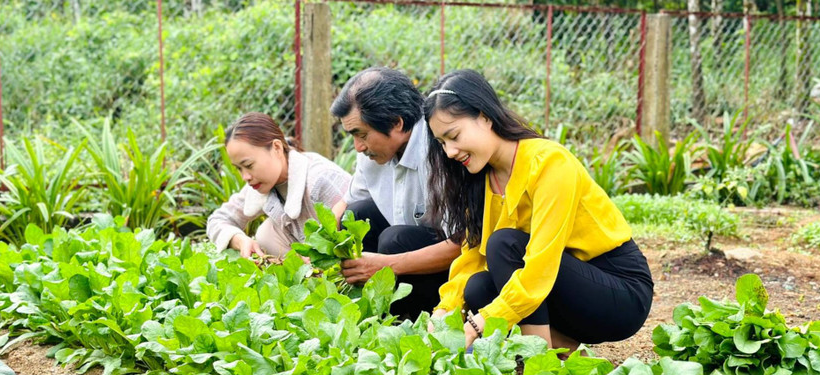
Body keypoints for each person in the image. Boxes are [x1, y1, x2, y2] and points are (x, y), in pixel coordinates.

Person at [425, 70, 653, 351]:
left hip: (617, 290)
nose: (449, 152)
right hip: (563, 287)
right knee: (478, 286)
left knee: (504, 245)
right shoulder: (479, 179)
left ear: (484, 116)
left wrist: (480, 322)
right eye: (442, 143)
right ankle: (560, 346)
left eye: (454, 136)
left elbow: (540, 266)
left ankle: (539, 362)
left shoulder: (548, 163)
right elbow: (472, 258)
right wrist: (444, 311)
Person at [330, 67, 461, 320]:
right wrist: (320, 239)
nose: (358, 146)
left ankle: (408, 322)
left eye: (362, 134)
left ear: (396, 123)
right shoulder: (371, 153)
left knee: (394, 239)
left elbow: (463, 246)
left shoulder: (440, 149)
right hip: (410, 252)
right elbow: (349, 200)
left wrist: (385, 264)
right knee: (354, 215)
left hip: (452, 275)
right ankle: (367, 312)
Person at [207, 112, 350, 259]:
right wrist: (240, 240)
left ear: (276, 147)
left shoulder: (322, 179)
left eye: (248, 165)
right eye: (238, 168)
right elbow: (218, 219)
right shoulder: (260, 185)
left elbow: (358, 227)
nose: (245, 177)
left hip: (347, 266)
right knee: (266, 234)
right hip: (311, 272)